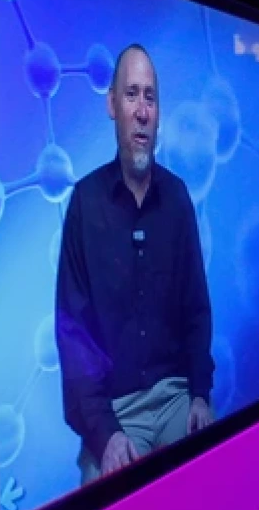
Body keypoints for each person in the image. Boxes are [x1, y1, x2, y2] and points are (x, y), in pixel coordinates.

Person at [56, 44, 215, 485]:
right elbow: (72, 335)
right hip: (115, 409)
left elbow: (197, 310)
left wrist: (200, 396)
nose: (142, 111)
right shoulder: (85, 204)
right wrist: (105, 435)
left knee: (213, 484)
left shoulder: (178, 198)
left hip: (175, 397)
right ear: (112, 106)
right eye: (131, 95)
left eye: (150, 97)